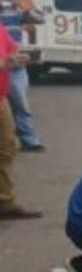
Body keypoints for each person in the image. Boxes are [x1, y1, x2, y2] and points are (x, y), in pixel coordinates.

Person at [0, 28, 41, 220]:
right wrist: (5, 62)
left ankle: (5, 201)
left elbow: (11, 51)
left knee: (7, 147)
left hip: (1, 97)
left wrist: (22, 58)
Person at [1, 0, 44, 151]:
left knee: (21, 104)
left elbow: (40, 18)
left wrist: (26, 6)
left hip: (15, 66)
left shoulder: (17, 12)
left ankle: (29, 140)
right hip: (5, 64)